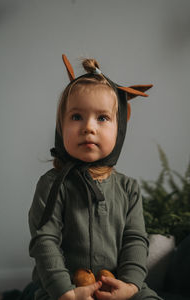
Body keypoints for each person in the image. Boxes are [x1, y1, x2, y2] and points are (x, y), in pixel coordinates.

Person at [28, 54, 162, 300]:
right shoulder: (52, 184)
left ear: (119, 128)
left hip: (118, 284)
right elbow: (44, 240)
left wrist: (130, 285)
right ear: (61, 125)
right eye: (76, 116)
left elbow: (135, 240)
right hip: (65, 287)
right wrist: (65, 291)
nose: (89, 127)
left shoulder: (128, 188)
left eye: (102, 118)